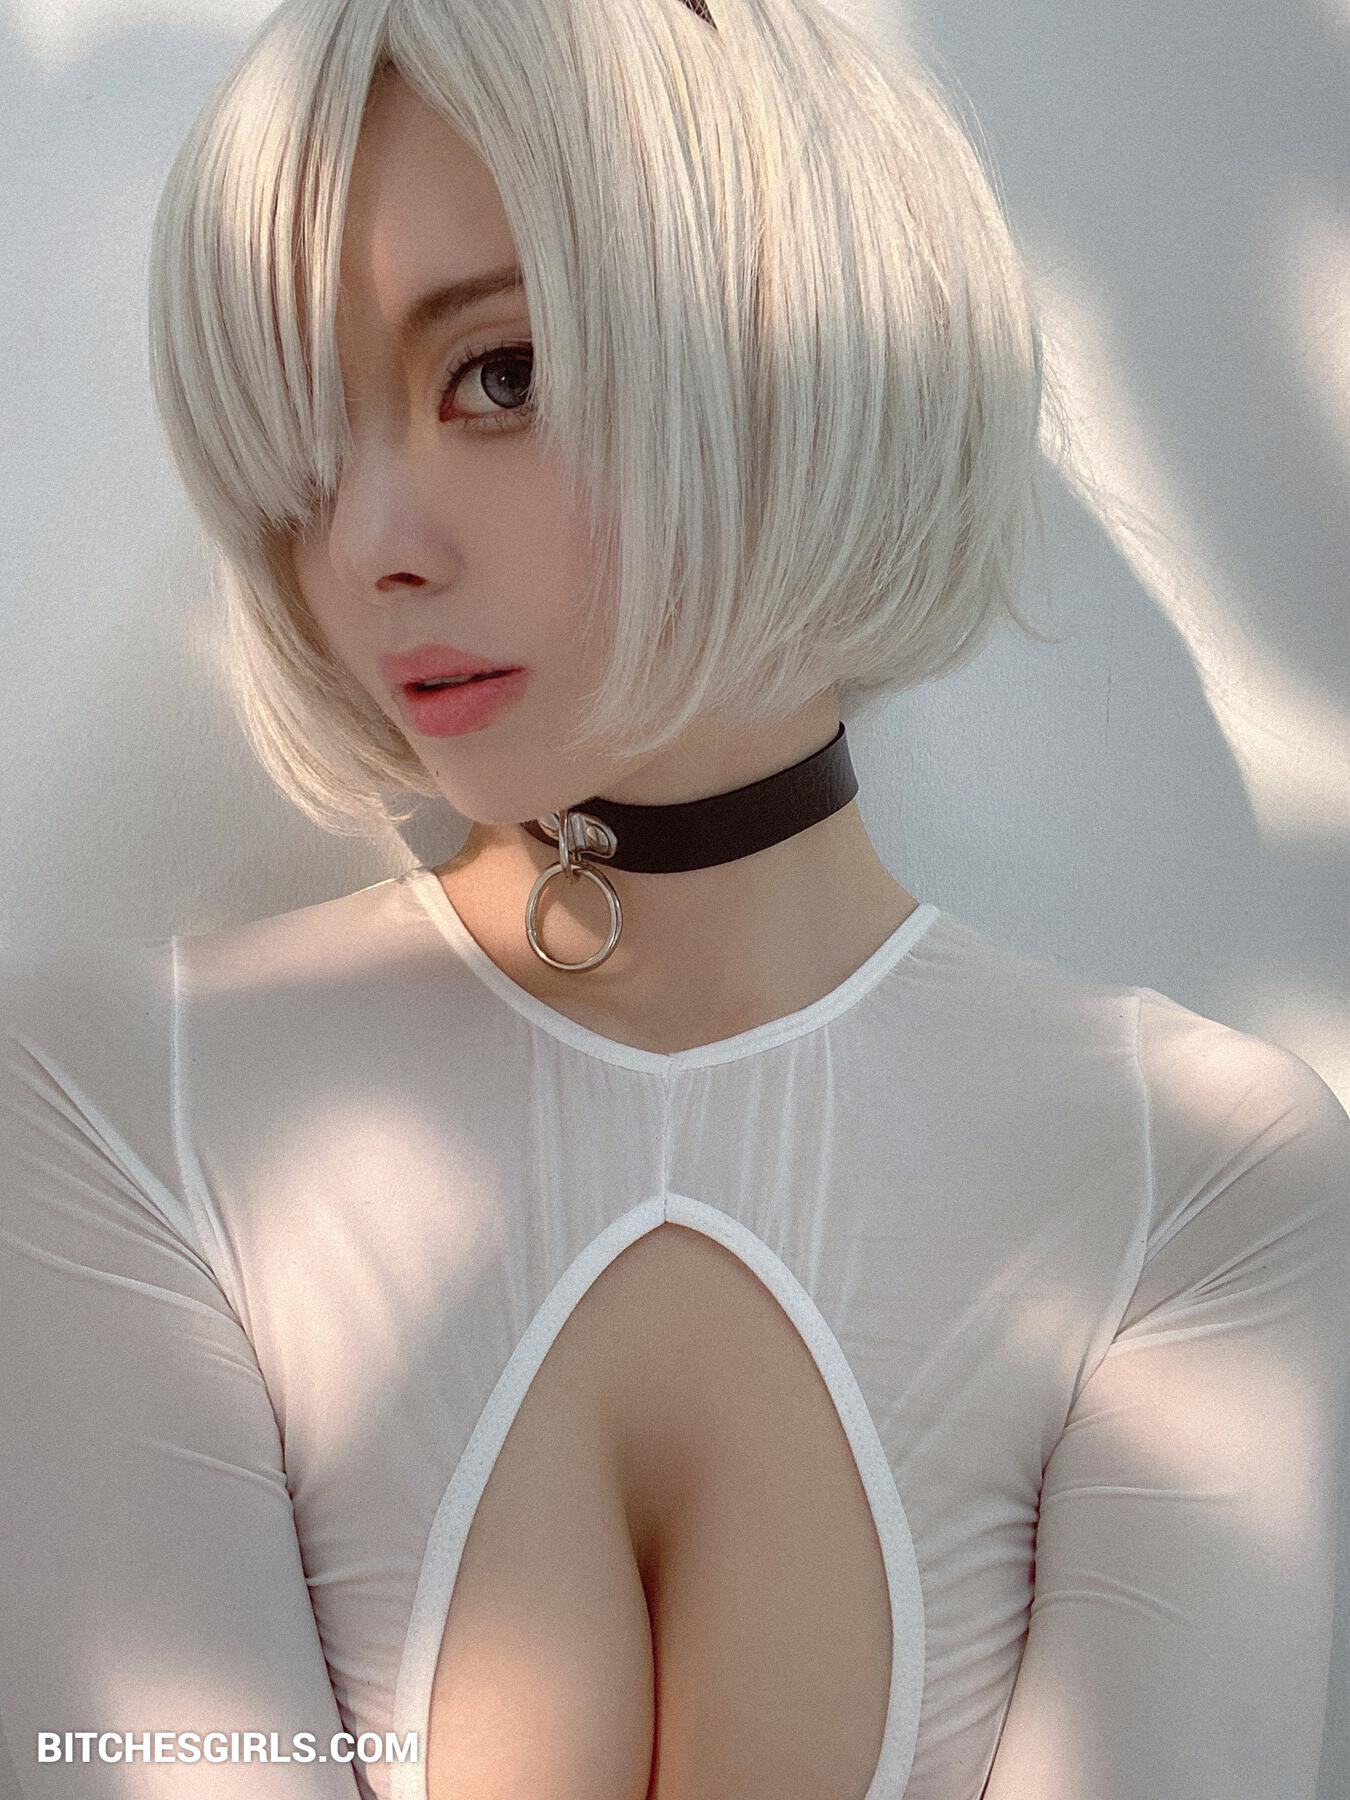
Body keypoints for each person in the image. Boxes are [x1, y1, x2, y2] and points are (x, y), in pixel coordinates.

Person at [3, 0, 1348, 1796]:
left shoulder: (1198, 1175)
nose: (368, 542)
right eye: (303, 438)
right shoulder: (114, 1101)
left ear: (798, 351)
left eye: (499, 375)